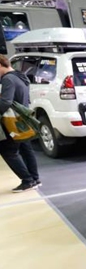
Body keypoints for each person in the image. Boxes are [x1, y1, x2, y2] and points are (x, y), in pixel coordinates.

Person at [0, 54, 40, 193]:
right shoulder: (19, 76)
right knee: (26, 148)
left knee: (8, 151)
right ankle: (34, 179)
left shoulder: (8, 80)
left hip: (13, 121)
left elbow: (5, 102)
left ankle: (27, 180)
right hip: (22, 119)